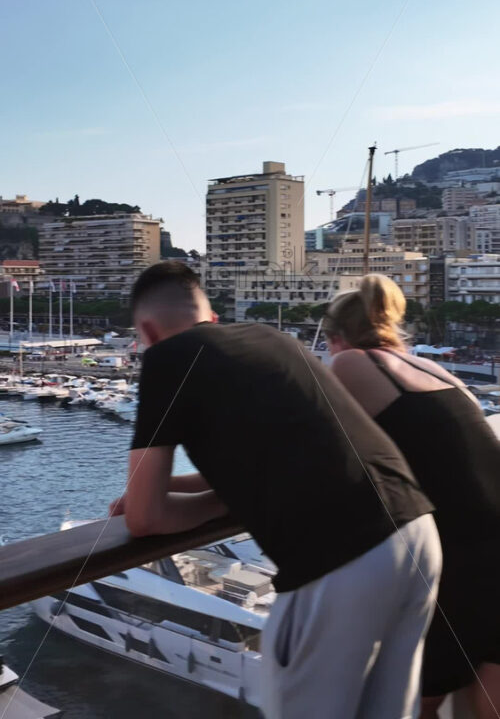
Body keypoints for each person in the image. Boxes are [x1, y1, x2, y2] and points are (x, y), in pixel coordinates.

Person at [110, 261, 442, 719]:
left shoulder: (167, 358)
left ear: (147, 330)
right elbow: (253, 460)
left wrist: (216, 504)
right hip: (418, 533)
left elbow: (143, 519)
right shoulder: (272, 339)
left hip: (339, 557)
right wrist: (222, 497)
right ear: (212, 319)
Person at [324, 273, 500, 719]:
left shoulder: (351, 364)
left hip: (461, 558)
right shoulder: (435, 370)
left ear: (336, 337)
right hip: (489, 543)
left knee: (415, 702)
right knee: (488, 700)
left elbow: (309, 454)